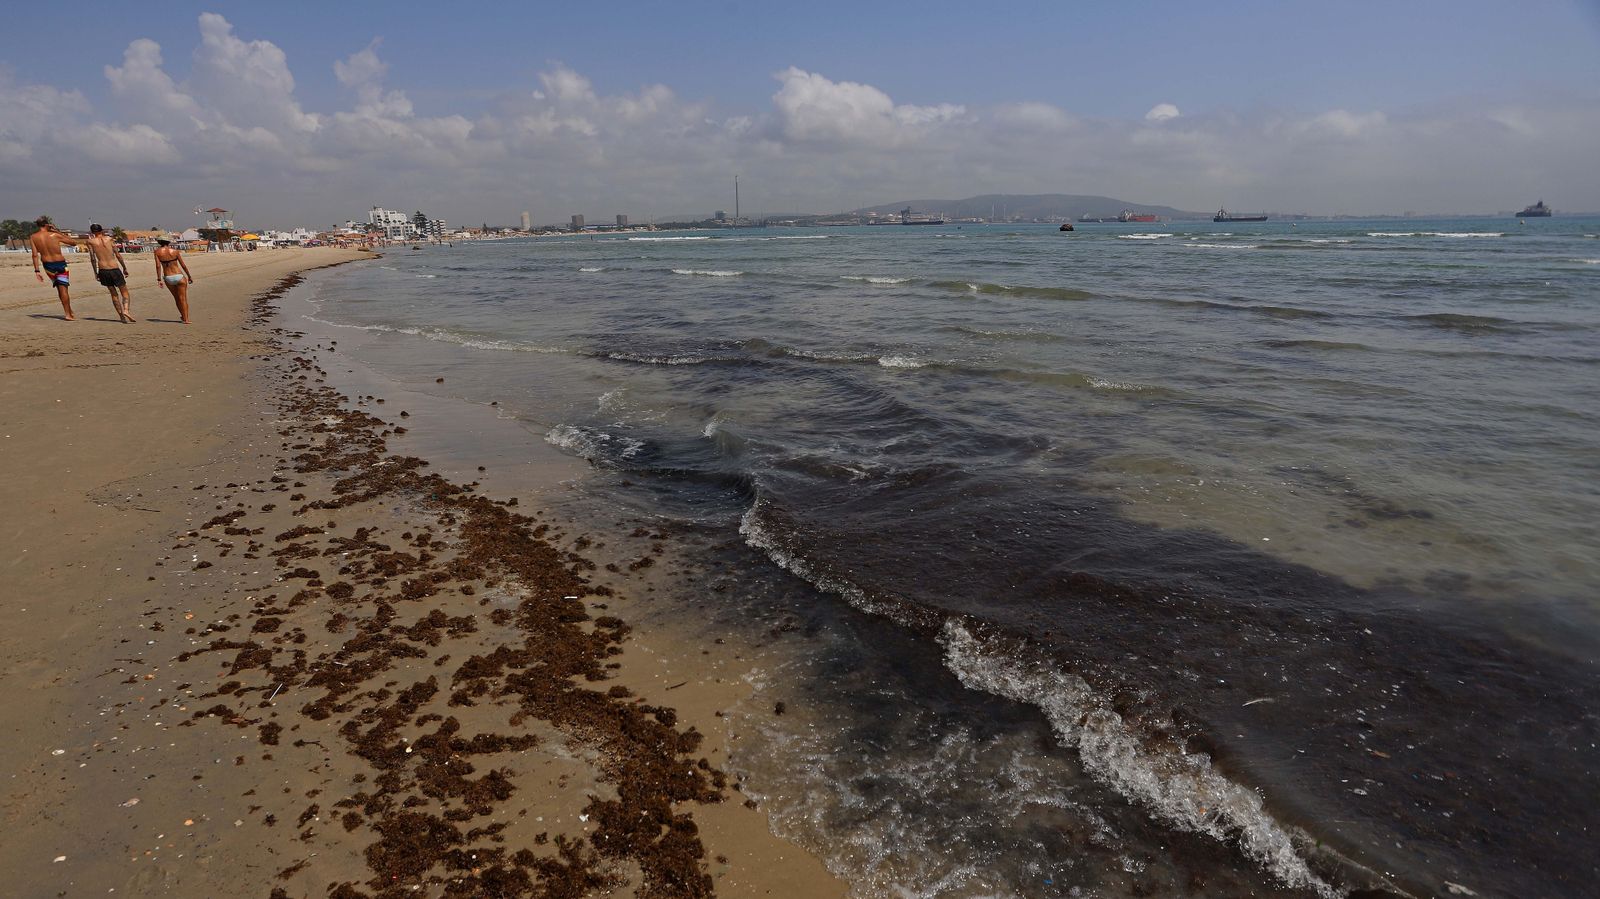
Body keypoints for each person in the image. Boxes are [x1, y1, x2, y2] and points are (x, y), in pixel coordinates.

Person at [28, 215, 82, 320]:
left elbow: (34, 255)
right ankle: (68, 314)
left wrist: (37, 271)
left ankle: (69, 311)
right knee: (64, 289)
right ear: (47, 224)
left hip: (47, 266)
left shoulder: (33, 237)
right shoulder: (54, 235)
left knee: (59, 288)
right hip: (60, 264)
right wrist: (57, 231)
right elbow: (73, 243)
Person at [86, 224, 134, 323]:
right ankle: (126, 310)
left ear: (92, 232)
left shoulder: (90, 242)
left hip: (103, 270)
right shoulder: (109, 239)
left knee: (113, 294)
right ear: (102, 230)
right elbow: (118, 255)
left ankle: (121, 317)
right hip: (114, 268)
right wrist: (124, 267)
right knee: (124, 291)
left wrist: (95, 272)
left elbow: (92, 258)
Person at [153, 238, 194, 324]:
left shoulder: (157, 252)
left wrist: (159, 279)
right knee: (183, 299)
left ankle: (183, 316)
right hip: (179, 276)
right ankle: (186, 319)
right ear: (168, 242)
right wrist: (189, 276)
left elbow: (158, 266)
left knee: (177, 298)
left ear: (159, 242)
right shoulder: (175, 251)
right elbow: (183, 265)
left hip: (168, 277)